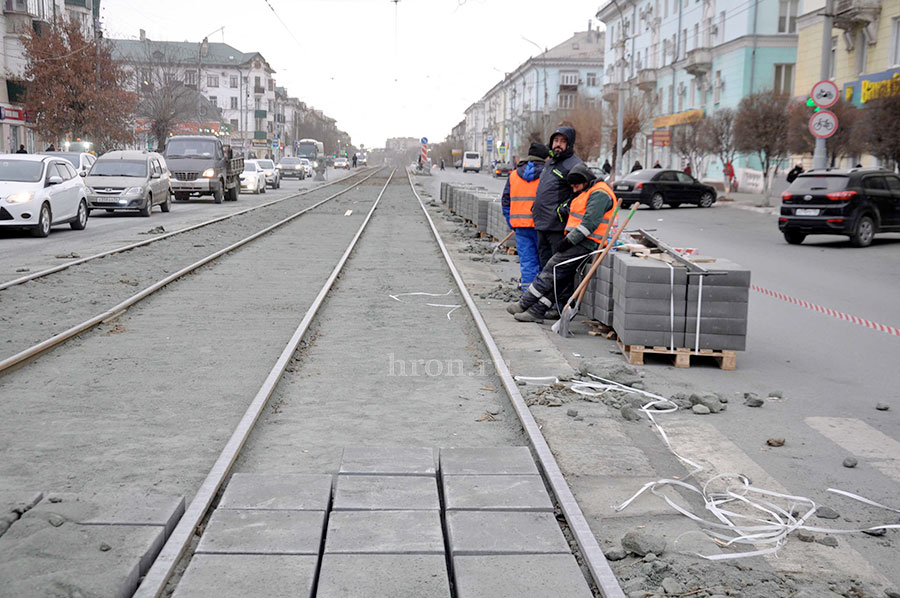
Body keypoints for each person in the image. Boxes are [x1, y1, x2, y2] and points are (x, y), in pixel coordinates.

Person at [507, 163, 618, 323]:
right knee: (561, 279)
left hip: (586, 243)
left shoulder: (600, 193)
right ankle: (538, 310)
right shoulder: (586, 191)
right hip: (580, 241)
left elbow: (589, 224)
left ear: (585, 180)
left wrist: (567, 242)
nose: (574, 189)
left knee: (551, 269)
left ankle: (525, 303)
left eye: (576, 185)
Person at [532, 125, 582, 314]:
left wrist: (563, 210)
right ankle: (544, 303)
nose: (558, 145)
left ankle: (560, 306)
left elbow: (580, 194)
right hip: (543, 223)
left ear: (569, 144)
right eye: (556, 141)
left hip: (558, 226)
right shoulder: (550, 162)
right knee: (545, 266)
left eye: (562, 141)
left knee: (559, 269)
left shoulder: (574, 165)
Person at [501, 143, 549, 292]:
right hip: (541, 227)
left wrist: (512, 221)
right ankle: (540, 297)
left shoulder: (514, 175)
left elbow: (505, 201)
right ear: (544, 157)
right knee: (543, 264)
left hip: (520, 227)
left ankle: (527, 297)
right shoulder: (547, 174)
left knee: (528, 264)